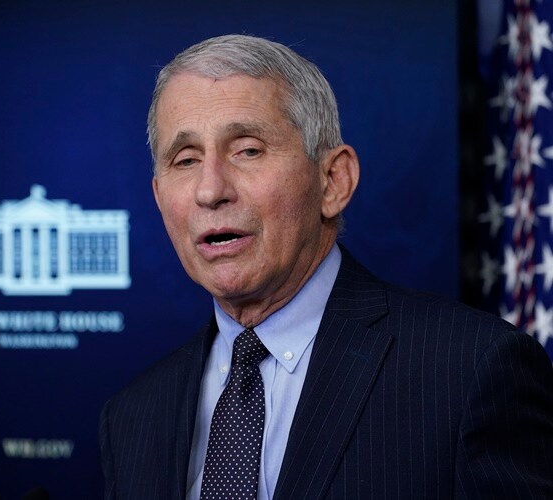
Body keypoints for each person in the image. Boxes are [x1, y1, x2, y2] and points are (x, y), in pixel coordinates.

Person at [99, 34, 553, 499]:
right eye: (186, 160)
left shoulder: (470, 370)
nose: (210, 190)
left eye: (248, 150)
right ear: (159, 198)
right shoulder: (132, 417)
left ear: (334, 181)